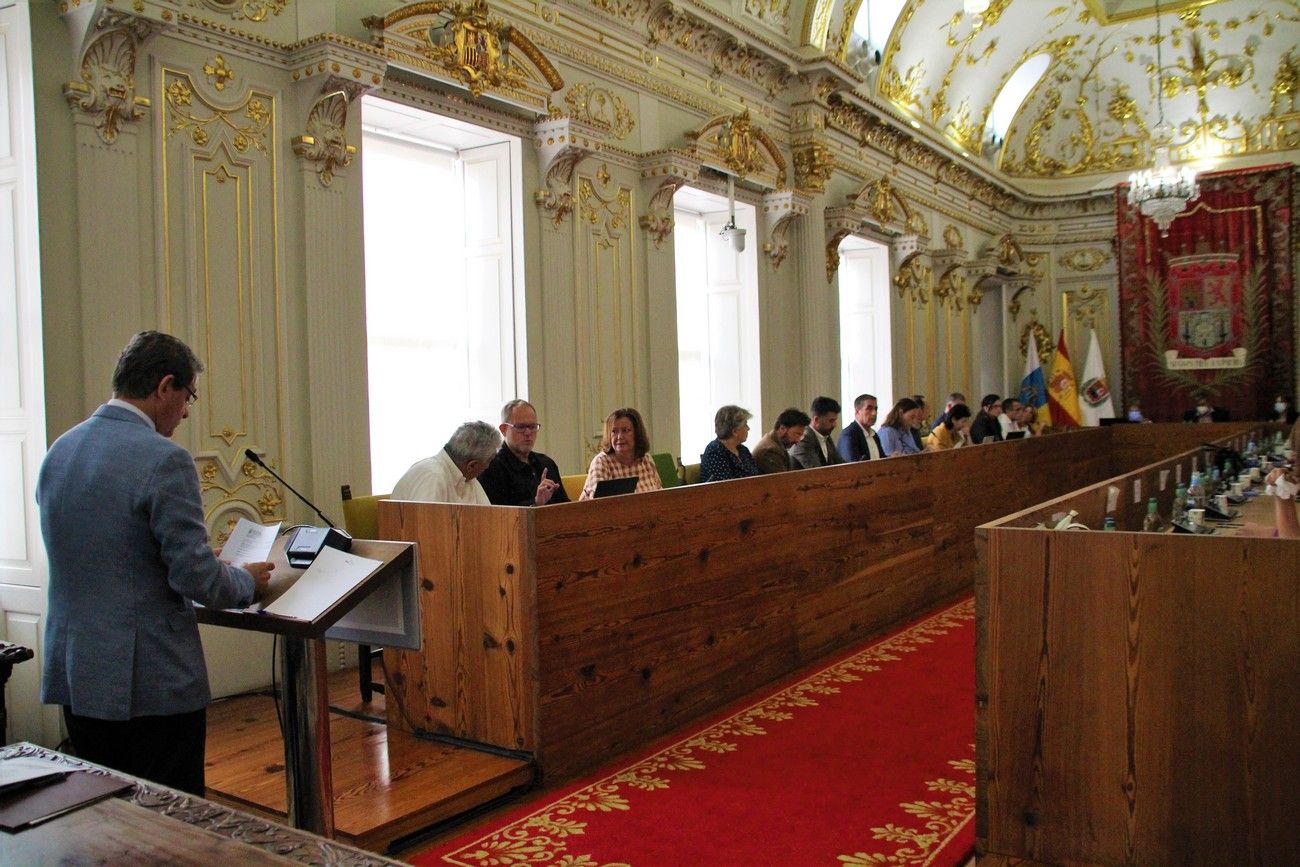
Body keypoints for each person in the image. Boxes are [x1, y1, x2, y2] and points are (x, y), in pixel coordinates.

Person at [38, 331, 273, 796]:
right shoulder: (164, 459)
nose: (186, 411)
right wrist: (245, 582)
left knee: (104, 813)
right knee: (172, 817)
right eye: (188, 396)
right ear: (165, 386)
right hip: (147, 679)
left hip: (77, 668)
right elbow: (196, 579)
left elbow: (109, 551)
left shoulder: (60, 449)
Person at [479, 399, 568, 506]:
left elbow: (565, 506)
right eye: (520, 427)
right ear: (503, 429)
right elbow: (498, 516)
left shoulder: (547, 463)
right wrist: (535, 503)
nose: (528, 433)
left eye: (532, 427)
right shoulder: (490, 466)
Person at [392, 421, 501, 504]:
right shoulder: (433, 475)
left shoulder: (468, 478)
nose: (488, 467)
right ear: (472, 465)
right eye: (489, 461)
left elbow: (489, 518)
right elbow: (423, 529)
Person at [580, 407, 663, 499]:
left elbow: (659, 496)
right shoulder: (601, 462)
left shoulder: (646, 459)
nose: (619, 436)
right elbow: (597, 505)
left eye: (625, 430)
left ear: (637, 433)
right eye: (614, 431)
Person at [700, 405, 761, 482]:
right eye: (745, 425)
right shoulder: (715, 452)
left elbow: (757, 477)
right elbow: (726, 487)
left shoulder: (743, 450)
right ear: (735, 431)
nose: (748, 428)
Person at [790, 396, 844, 469]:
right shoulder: (804, 440)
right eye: (831, 421)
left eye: (835, 420)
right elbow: (816, 472)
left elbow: (840, 464)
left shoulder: (826, 436)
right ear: (816, 419)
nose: (835, 425)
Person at [751, 408, 810, 474]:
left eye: (801, 436)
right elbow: (783, 482)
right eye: (797, 434)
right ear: (782, 429)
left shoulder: (776, 444)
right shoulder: (770, 451)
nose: (798, 440)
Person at [837, 393, 883, 462]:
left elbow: (881, 459)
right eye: (869, 409)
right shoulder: (849, 434)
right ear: (857, 411)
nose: (874, 413)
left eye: (875, 409)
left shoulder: (874, 435)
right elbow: (852, 466)